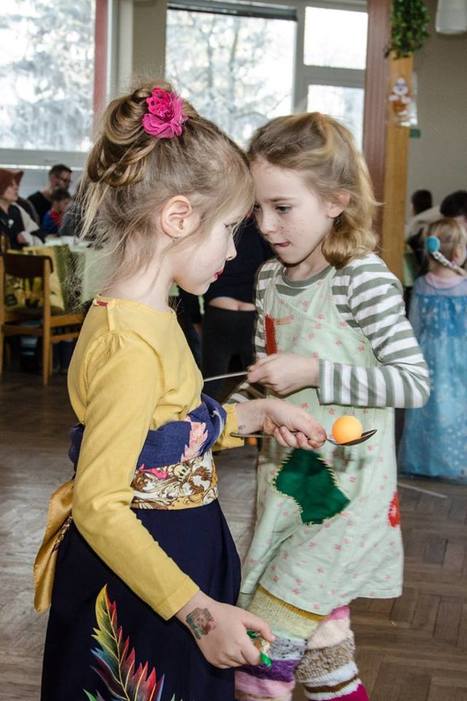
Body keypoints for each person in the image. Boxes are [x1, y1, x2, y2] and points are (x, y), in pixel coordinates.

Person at [34, 83, 327, 701]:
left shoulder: (152, 317)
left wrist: (255, 414)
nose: (233, 249)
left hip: (177, 556)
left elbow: (170, 428)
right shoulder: (130, 346)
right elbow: (100, 505)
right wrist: (198, 612)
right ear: (177, 218)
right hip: (149, 579)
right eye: (228, 229)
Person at [232, 113, 430, 701]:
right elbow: (266, 379)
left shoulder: (360, 279)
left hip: (345, 505)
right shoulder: (268, 278)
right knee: (323, 655)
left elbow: (412, 383)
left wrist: (316, 372)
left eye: (282, 207)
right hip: (287, 490)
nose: (266, 225)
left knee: (259, 657)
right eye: (257, 208)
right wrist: (227, 415)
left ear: (336, 201)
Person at [399, 218, 467, 482]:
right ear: (458, 252)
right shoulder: (464, 286)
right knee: (457, 410)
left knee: (426, 409)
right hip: (460, 358)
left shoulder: (421, 284)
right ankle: (456, 462)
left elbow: (414, 325)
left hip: (427, 356)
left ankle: (424, 461)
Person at [178, 217, 272, 396]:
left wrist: (195, 320)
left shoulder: (213, 229)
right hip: (252, 317)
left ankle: (204, 415)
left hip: (219, 314)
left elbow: (188, 284)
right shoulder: (259, 230)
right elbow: (273, 269)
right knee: (258, 382)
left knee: (210, 383)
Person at [0, 168, 44, 249]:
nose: (16, 187)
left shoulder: (17, 209)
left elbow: (39, 235)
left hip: (21, 256)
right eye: (11, 185)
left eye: (16, 184)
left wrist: (30, 239)